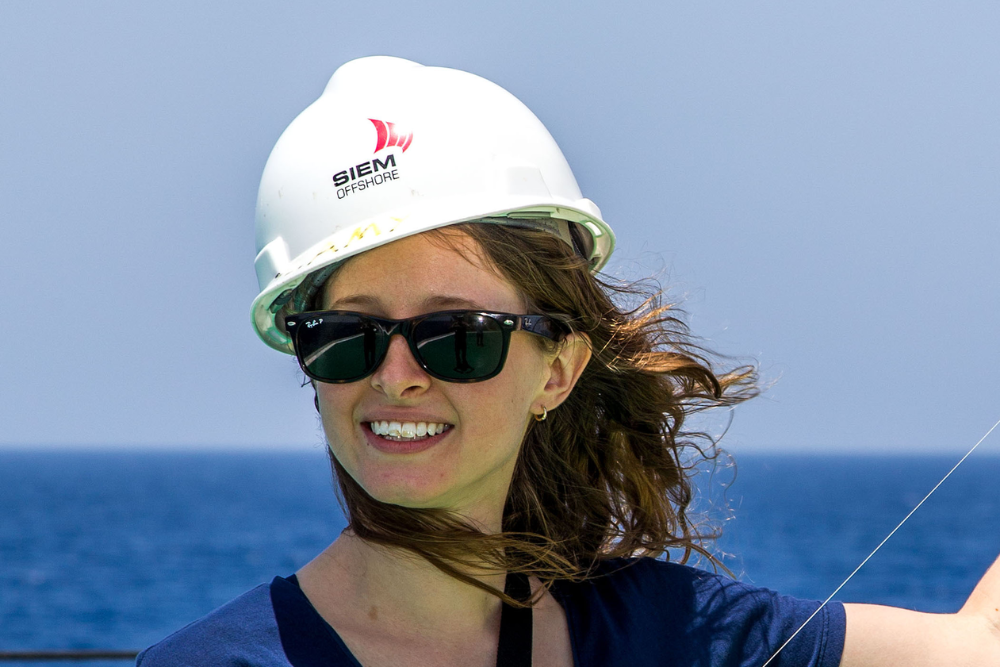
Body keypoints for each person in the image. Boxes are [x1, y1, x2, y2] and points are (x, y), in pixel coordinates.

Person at [137, 56, 1000, 667]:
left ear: (558, 370)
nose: (396, 374)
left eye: (458, 334)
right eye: (346, 335)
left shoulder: (672, 633)